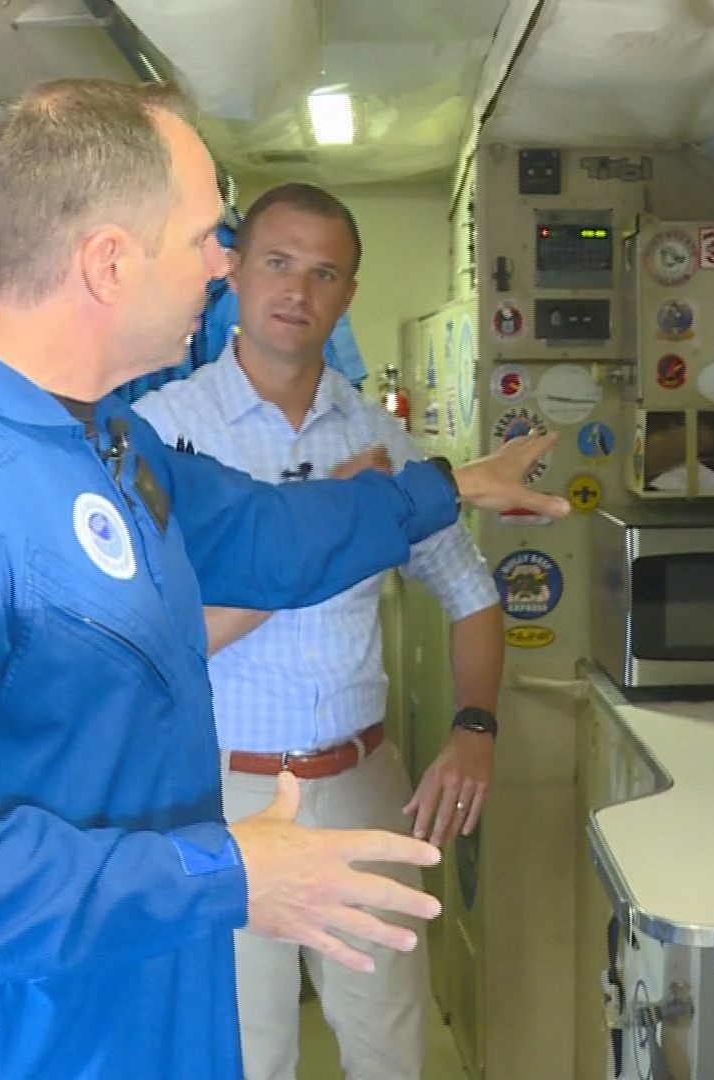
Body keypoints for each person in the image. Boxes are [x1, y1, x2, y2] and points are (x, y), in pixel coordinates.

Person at [0, 79, 567, 1080]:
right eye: (208, 236)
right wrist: (225, 872)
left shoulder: (102, 436)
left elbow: (273, 532)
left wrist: (448, 485)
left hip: (160, 982)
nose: (223, 266)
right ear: (110, 263)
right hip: (45, 1030)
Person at [133, 183, 502, 1080]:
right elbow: (156, 639)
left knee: (388, 1049)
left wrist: (475, 729)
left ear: (346, 297)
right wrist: (334, 520)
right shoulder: (162, 434)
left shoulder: (382, 439)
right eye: (278, 262)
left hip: (360, 781)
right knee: (244, 1053)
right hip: (220, 793)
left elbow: (471, 591)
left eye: (324, 272)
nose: (298, 289)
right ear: (231, 272)